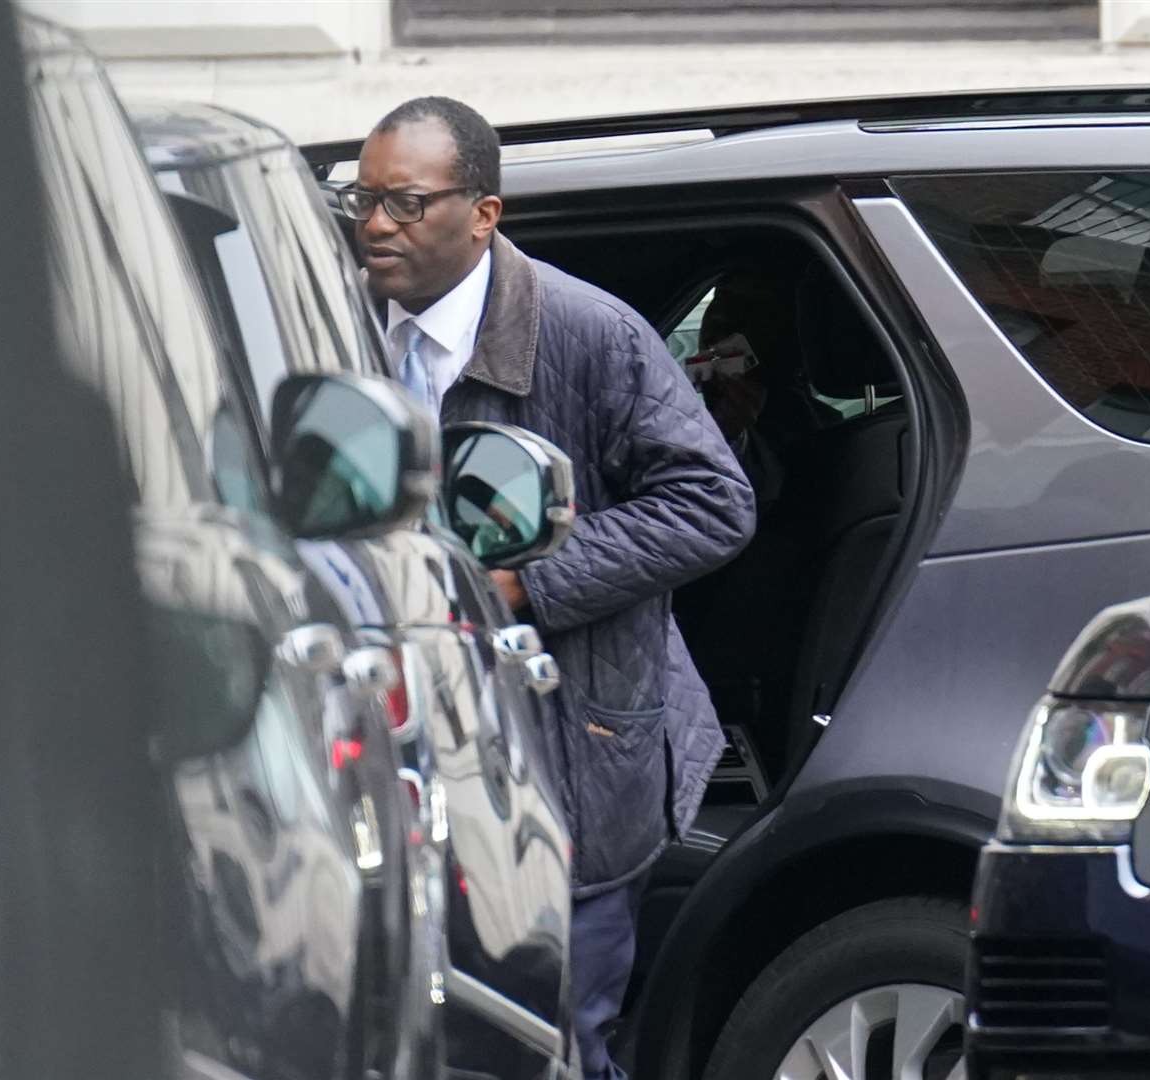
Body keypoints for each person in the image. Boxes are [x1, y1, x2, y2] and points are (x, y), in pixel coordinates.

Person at [345, 96, 756, 1079]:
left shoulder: (587, 334)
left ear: (483, 213)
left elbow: (713, 503)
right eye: (362, 199)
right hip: (404, 758)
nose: (374, 224)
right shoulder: (340, 328)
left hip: (572, 755)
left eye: (405, 202)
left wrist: (525, 585)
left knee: (555, 1043)